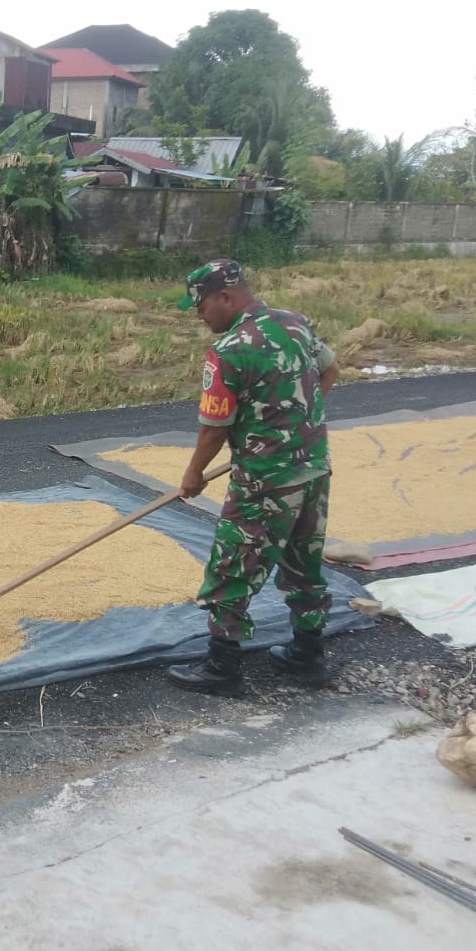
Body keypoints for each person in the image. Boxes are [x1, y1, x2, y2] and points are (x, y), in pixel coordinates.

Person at [164, 259, 340, 697]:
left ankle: (222, 667)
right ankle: (308, 655)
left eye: (200, 306)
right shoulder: (294, 323)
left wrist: (193, 474)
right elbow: (330, 370)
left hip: (264, 481)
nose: (198, 315)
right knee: (304, 562)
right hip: (313, 469)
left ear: (225, 297)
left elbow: (214, 428)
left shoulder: (229, 350)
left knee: (231, 566)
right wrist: (298, 421)